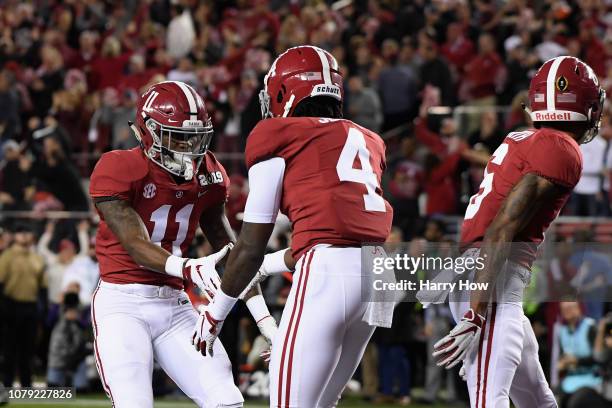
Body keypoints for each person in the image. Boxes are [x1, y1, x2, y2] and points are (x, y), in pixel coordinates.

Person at [190, 46, 393, 407]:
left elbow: (252, 243)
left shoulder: (278, 133)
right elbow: (337, 231)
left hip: (330, 275)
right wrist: (269, 268)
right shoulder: (369, 139)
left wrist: (215, 313)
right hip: (379, 275)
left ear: (285, 92)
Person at [427, 56, 605, 408]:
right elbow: (502, 228)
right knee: (488, 401)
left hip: (480, 274)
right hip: (491, 281)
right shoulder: (560, 148)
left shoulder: (523, 139)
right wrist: (476, 313)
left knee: (539, 401)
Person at [88, 80, 278, 408]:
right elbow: (135, 242)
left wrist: (267, 323)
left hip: (174, 304)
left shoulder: (208, 173)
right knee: (134, 402)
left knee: (227, 400)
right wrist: (188, 267)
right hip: (122, 303)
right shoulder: (119, 167)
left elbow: (235, 253)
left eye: (194, 137)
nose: (187, 147)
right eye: (176, 136)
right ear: (147, 131)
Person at [0, 222, 46, 388]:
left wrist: (42, 310)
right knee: (9, 348)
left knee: (28, 349)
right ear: (15, 236)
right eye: (21, 233)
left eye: (27, 232)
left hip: (30, 307)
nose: (25, 236)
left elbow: (42, 286)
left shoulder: (37, 258)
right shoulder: (8, 256)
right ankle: (6, 384)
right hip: (11, 305)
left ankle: (26, 385)